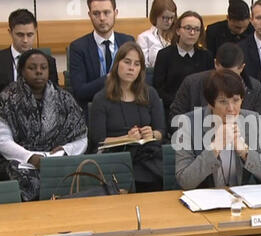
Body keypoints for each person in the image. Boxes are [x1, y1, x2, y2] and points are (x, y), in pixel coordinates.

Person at [0, 50, 87, 202]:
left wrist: (65, 151)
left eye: (43, 67)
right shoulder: (7, 98)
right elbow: (3, 140)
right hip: (20, 162)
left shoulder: (64, 98)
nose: (39, 72)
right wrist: (30, 157)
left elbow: (82, 137)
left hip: (57, 161)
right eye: (32, 68)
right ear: (22, 71)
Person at [174, 70, 261, 189]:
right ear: (211, 103)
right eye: (223, 102)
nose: (231, 108)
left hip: (241, 200)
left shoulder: (252, 120)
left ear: (242, 99)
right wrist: (214, 148)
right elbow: (184, 180)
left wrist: (245, 152)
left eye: (236, 100)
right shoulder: (187, 123)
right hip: (205, 201)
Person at [91, 42, 166, 192]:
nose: (131, 68)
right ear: (117, 64)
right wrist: (127, 138)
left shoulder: (150, 93)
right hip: (116, 157)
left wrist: (151, 134)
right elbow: (98, 141)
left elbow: (161, 132)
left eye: (137, 64)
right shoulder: (101, 99)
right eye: (127, 62)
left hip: (147, 157)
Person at [170, 42, 261, 123]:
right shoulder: (192, 83)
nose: (227, 78)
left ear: (241, 68)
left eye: (236, 100)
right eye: (224, 72)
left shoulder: (254, 87)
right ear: (215, 64)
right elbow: (175, 119)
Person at [70, 0, 134, 118]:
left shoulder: (128, 42)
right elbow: (79, 91)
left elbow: (138, 81)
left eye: (106, 12)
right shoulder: (78, 48)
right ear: (89, 15)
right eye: (96, 13)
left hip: (126, 108)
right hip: (94, 111)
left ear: (115, 13)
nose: (102, 18)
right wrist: (110, 78)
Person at [153, 11, 214, 123]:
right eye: (188, 28)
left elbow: (210, 87)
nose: (192, 32)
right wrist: (179, 104)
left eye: (196, 29)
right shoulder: (164, 55)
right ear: (178, 30)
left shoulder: (206, 56)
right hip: (173, 110)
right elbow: (158, 88)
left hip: (201, 112)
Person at [0, 9, 58, 93]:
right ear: (10, 32)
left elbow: (54, 96)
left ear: (36, 32)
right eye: (20, 35)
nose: (25, 40)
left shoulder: (49, 61)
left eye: (30, 35)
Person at [137, 0, 177, 68]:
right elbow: (143, 66)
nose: (169, 22)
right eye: (165, 18)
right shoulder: (144, 37)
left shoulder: (178, 35)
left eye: (172, 18)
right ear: (155, 16)